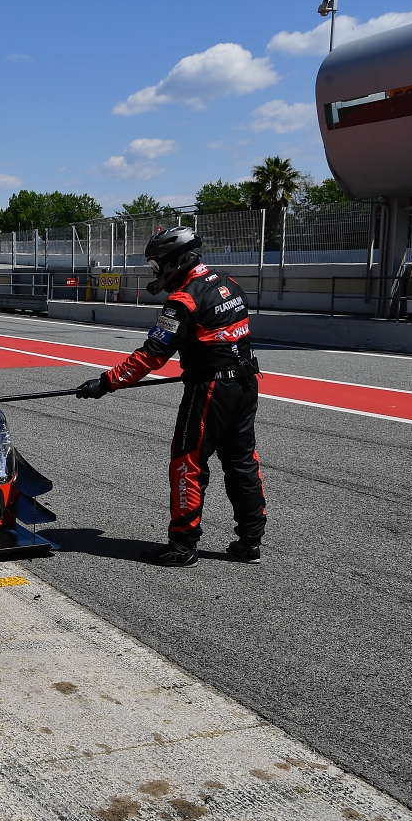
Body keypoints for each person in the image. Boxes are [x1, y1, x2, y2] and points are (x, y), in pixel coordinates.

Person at [76, 227, 266, 568]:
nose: (156, 271)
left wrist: (105, 383)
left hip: (210, 390)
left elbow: (152, 355)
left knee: (187, 463)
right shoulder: (231, 284)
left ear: (175, 260)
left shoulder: (183, 300)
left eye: (157, 264)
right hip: (245, 383)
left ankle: (182, 545)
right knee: (242, 462)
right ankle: (251, 541)